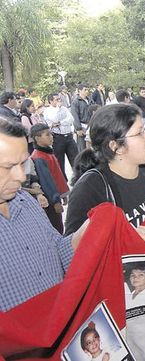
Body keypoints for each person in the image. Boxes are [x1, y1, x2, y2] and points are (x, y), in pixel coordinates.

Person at [0, 118, 87, 311]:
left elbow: (57, 251)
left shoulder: (26, 202)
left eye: (23, 164)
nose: (21, 177)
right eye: (8, 167)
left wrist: (94, 227)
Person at [64, 104, 145, 242]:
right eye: (139, 133)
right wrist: (124, 239)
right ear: (116, 146)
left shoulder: (144, 170)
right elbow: (74, 252)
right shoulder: (90, 188)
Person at [30, 123, 69, 233]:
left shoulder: (47, 153)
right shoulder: (39, 157)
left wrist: (63, 193)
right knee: (56, 228)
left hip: (55, 198)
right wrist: (56, 200)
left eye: (51, 134)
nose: (51, 137)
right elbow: (47, 183)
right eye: (47, 135)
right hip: (50, 201)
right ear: (37, 138)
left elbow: (57, 174)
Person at [44, 93, 78, 181]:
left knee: (75, 158)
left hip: (69, 136)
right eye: (56, 100)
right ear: (51, 101)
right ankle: (63, 181)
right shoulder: (48, 111)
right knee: (59, 161)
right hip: (58, 137)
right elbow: (54, 119)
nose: (59, 101)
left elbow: (71, 119)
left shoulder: (64, 109)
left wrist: (60, 123)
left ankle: (78, 178)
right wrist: (58, 109)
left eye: (60, 99)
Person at [71, 84, 91, 152]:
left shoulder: (90, 100)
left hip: (90, 126)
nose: (87, 91)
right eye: (85, 90)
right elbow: (74, 116)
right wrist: (78, 128)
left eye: (88, 90)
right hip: (82, 127)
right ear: (80, 90)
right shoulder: (76, 102)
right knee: (82, 148)